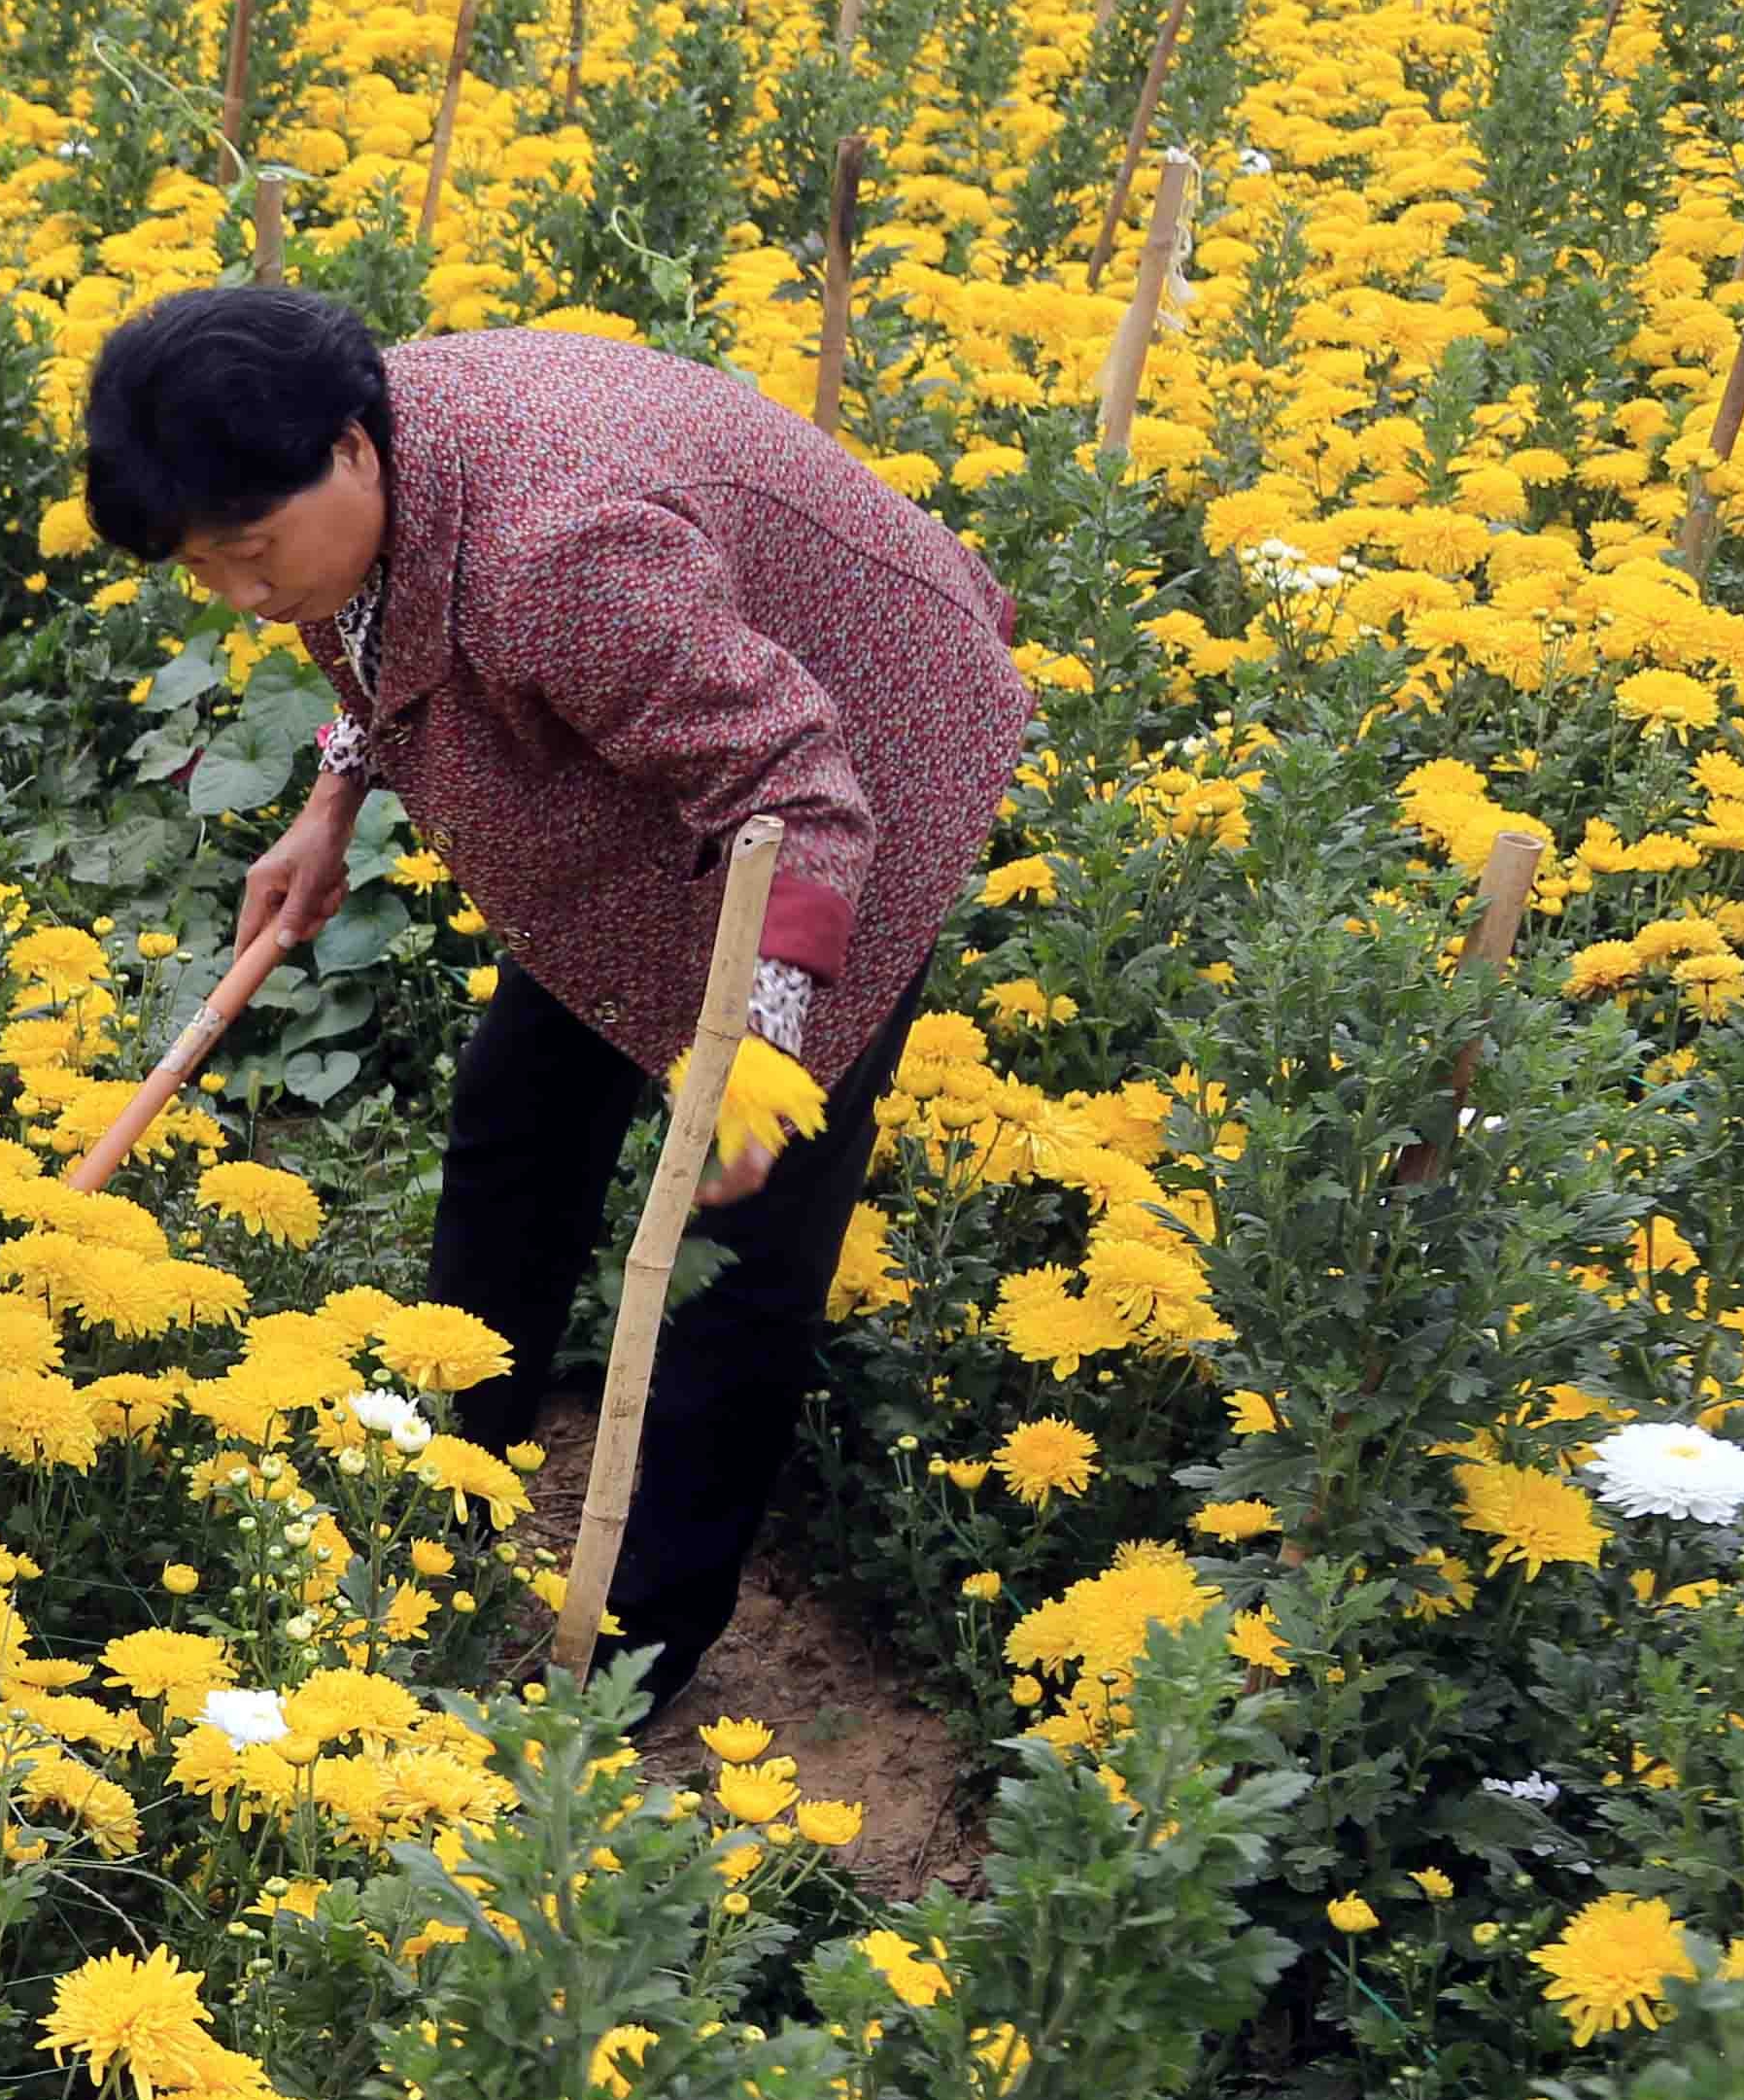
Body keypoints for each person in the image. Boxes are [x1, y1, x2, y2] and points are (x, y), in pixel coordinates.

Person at [78, 288, 1033, 1717]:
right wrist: (335, 798)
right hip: (682, 716)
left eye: (250, 553)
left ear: (351, 452)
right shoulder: (358, 448)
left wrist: (763, 1051)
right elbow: (378, 621)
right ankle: (445, 1481)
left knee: (737, 1232)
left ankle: (640, 1647)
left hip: (864, 734)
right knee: (518, 1116)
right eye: (203, 568)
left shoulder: (557, 556)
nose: (244, 597)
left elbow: (799, 793)